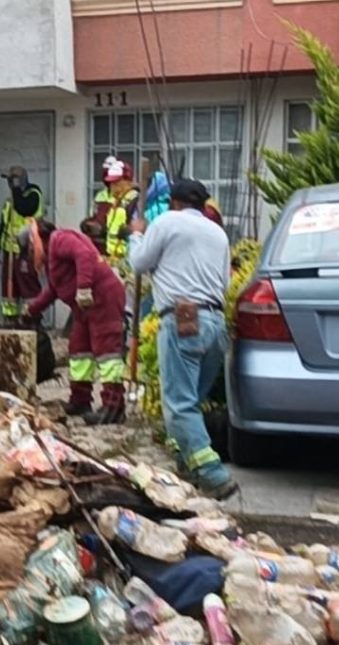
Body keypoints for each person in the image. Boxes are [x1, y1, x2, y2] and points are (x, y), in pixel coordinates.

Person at [127, 178, 238, 499]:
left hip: (182, 320)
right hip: (215, 323)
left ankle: (213, 474)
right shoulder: (218, 233)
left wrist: (136, 234)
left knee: (179, 405)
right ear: (203, 205)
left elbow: (138, 263)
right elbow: (225, 284)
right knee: (191, 400)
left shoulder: (166, 223)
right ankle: (186, 462)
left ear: (174, 202)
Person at [23, 220, 127, 424]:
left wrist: (84, 287)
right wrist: (31, 310)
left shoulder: (60, 239)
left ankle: (114, 406)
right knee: (79, 352)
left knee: (107, 353)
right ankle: (80, 400)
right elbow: (53, 290)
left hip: (103, 297)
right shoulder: (53, 261)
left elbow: (84, 254)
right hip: (84, 306)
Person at [0, 166, 44, 319]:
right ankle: (11, 317)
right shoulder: (10, 201)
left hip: (27, 250)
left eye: (13, 180)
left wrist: (16, 190)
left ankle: (33, 316)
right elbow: (4, 224)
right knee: (10, 288)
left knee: (28, 285)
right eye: (9, 181)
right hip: (9, 250)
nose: (10, 184)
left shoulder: (34, 194)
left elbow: (24, 209)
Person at [91, 159, 140, 263]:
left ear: (126, 181)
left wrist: (128, 231)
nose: (112, 186)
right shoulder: (116, 200)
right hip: (113, 256)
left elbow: (139, 227)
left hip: (128, 257)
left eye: (116, 182)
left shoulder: (134, 200)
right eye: (111, 182)